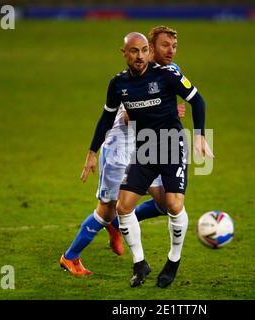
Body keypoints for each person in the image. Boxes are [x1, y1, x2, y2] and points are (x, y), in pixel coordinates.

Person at [89, 32, 213, 288]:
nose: (140, 55)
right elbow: (106, 118)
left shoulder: (167, 74)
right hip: (144, 147)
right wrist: (92, 152)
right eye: (134, 51)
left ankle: (173, 260)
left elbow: (198, 101)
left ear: (149, 51)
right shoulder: (118, 84)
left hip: (171, 144)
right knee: (123, 207)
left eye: (144, 50)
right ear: (124, 53)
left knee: (173, 205)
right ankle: (140, 263)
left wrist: (200, 135)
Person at [60, 26, 185, 276]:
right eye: (164, 46)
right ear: (150, 48)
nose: (170, 51)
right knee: (105, 211)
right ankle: (70, 257)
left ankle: (120, 223)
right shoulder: (135, 74)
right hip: (120, 147)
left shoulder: (171, 73)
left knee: (167, 203)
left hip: (148, 147)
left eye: (173, 47)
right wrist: (92, 151)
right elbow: (129, 115)